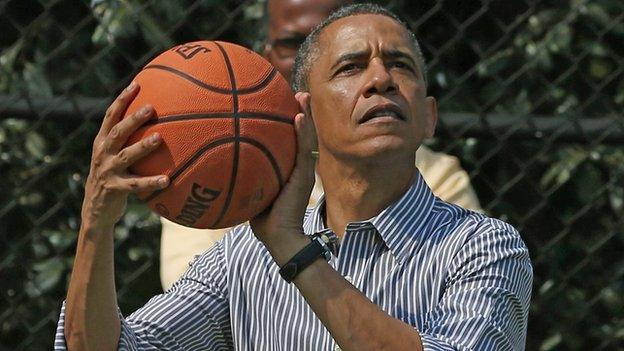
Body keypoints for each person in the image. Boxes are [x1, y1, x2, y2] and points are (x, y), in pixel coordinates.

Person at [56, 4, 532, 350]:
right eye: (350, 67)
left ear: (429, 118)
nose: (381, 79)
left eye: (400, 65)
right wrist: (97, 217)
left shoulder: (483, 246)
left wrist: (292, 248)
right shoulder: (242, 257)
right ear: (300, 113)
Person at [159, 0, 482, 291]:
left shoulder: (437, 182)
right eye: (293, 44)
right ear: (266, 57)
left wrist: (292, 252)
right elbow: (191, 307)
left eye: (336, 47)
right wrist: (104, 214)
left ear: (429, 116)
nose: (307, 59)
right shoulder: (212, 162)